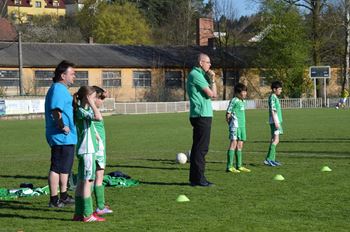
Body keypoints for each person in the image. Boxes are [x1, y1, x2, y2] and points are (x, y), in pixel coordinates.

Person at [45, 60, 77, 208]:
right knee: (56, 167)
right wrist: (62, 125)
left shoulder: (63, 89)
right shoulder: (57, 88)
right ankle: (54, 199)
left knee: (65, 167)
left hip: (68, 137)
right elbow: (56, 110)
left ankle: (64, 196)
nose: (74, 76)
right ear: (63, 75)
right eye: (72, 74)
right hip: (60, 136)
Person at [72, 86, 105, 222]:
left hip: (85, 150)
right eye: (93, 97)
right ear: (87, 98)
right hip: (87, 151)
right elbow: (98, 117)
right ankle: (87, 214)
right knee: (87, 182)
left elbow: (91, 126)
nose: (95, 99)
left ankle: (79, 213)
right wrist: (91, 103)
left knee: (81, 182)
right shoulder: (81, 111)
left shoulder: (82, 111)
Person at [187, 53, 217, 187]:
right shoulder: (196, 75)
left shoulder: (201, 75)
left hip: (201, 115)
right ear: (201, 63)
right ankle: (199, 179)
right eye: (208, 62)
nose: (210, 65)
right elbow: (211, 94)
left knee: (198, 148)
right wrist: (212, 79)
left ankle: (195, 178)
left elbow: (214, 94)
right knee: (201, 148)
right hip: (201, 115)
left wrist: (213, 79)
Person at [92, 86, 113, 215]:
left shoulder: (87, 110)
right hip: (98, 149)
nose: (102, 101)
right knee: (97, 178)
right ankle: (99, 207)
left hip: (95, 149)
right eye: (100, 98)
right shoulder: (93, 113)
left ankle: (96, 205)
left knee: (91, 178)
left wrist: (102, 94)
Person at [225, 83, 251, 173]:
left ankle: (239, 166)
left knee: (240, 145)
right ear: (237, 92)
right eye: (243, 92)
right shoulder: (234, 100)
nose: (244, 94)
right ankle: (229, 166)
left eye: (245, 92)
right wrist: (231, 125)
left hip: (242, 126)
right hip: (235, 126)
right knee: (233, 144)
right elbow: (228, 114)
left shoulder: (243, 101)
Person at [264, 81, 283, 167]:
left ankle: (271, 159)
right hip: (275, 121)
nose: (280, 91)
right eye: (279, 89)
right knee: (276, 140)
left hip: (276, 120)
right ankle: (269, 159)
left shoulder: (274, 97)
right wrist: (276, 121)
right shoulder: (272, 97)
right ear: (274, 89)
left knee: (274, 140)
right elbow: (273, 110)